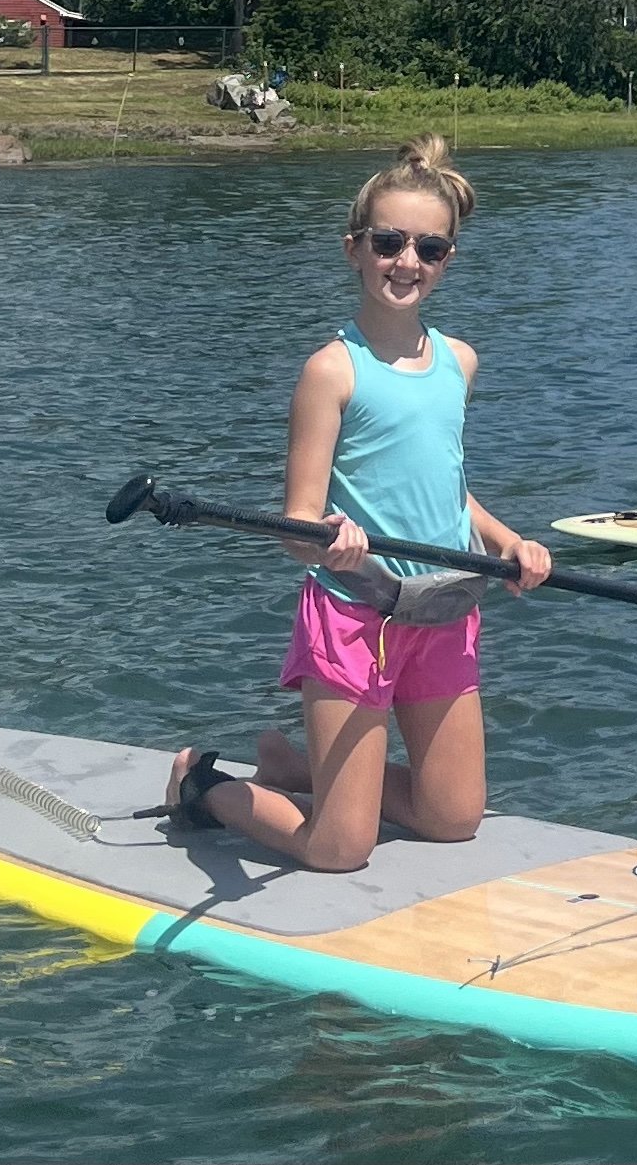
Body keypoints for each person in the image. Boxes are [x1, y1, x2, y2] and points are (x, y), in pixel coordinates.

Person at [163, 134, 551, 870]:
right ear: (354, 249)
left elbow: (448, 489)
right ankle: (201, 783)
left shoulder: (459, 363)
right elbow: (298, 522)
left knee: (453, 818)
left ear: (447, 261)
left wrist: (508, 543)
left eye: (429, 248)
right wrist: (327, 540)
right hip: (354, 612)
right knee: (340, 849)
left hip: (445, 606)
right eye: (389, 241)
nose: (407, 261)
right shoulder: (331, 372)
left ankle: (296, 772)